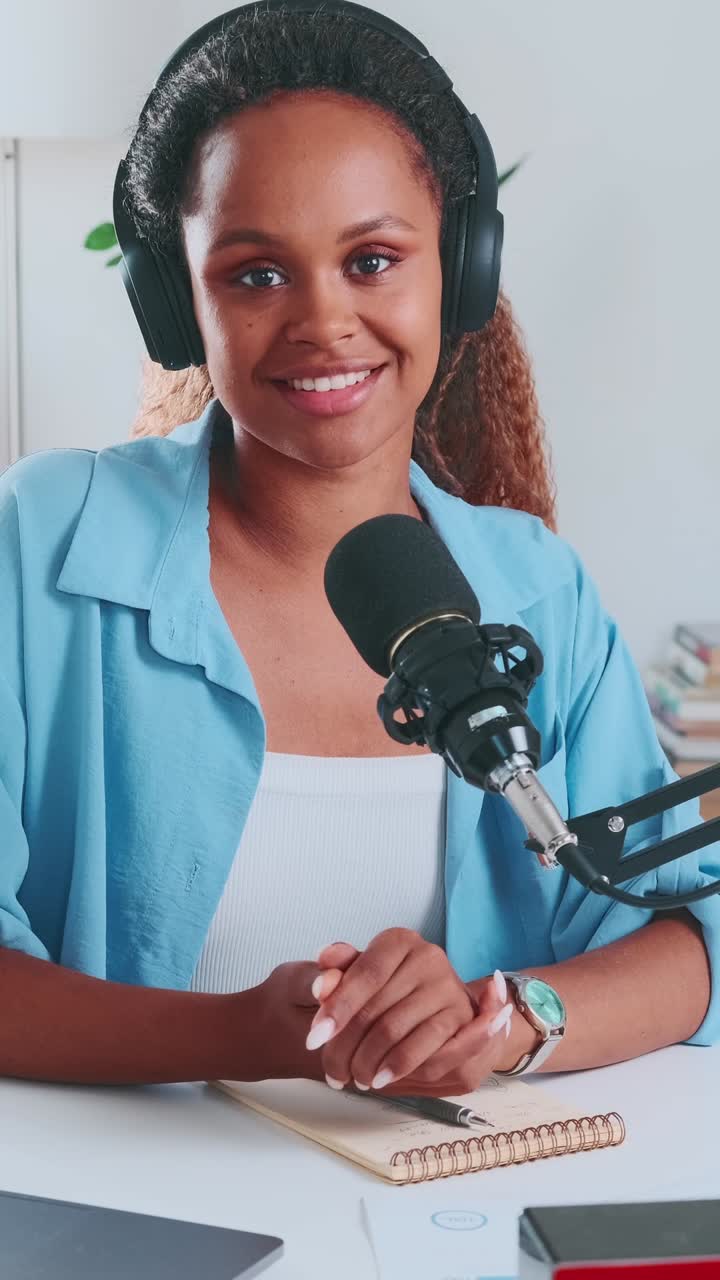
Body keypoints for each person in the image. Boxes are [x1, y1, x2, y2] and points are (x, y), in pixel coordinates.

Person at [0, 1, 717, 1097]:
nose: (324, 320)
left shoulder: (536, 588)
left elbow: (686, 940)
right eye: (254, 273)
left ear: (460, 271)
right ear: (174, 300)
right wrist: (248, 1033)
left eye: (373, 258)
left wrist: (518, 1016)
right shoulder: (48, 543)